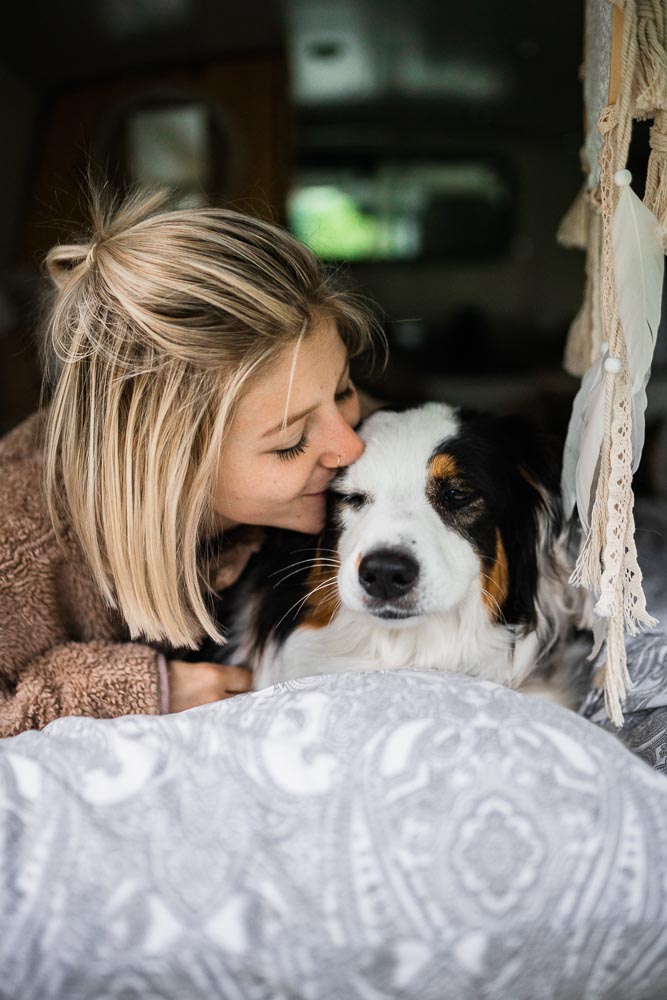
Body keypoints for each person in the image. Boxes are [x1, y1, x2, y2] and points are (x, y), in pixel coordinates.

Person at [0, 189, 384, 737]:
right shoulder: (18, 545)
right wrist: (136, 688)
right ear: (169, 464)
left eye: (345, 391)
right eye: (291, 442)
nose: (350, 447)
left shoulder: (310, 411)